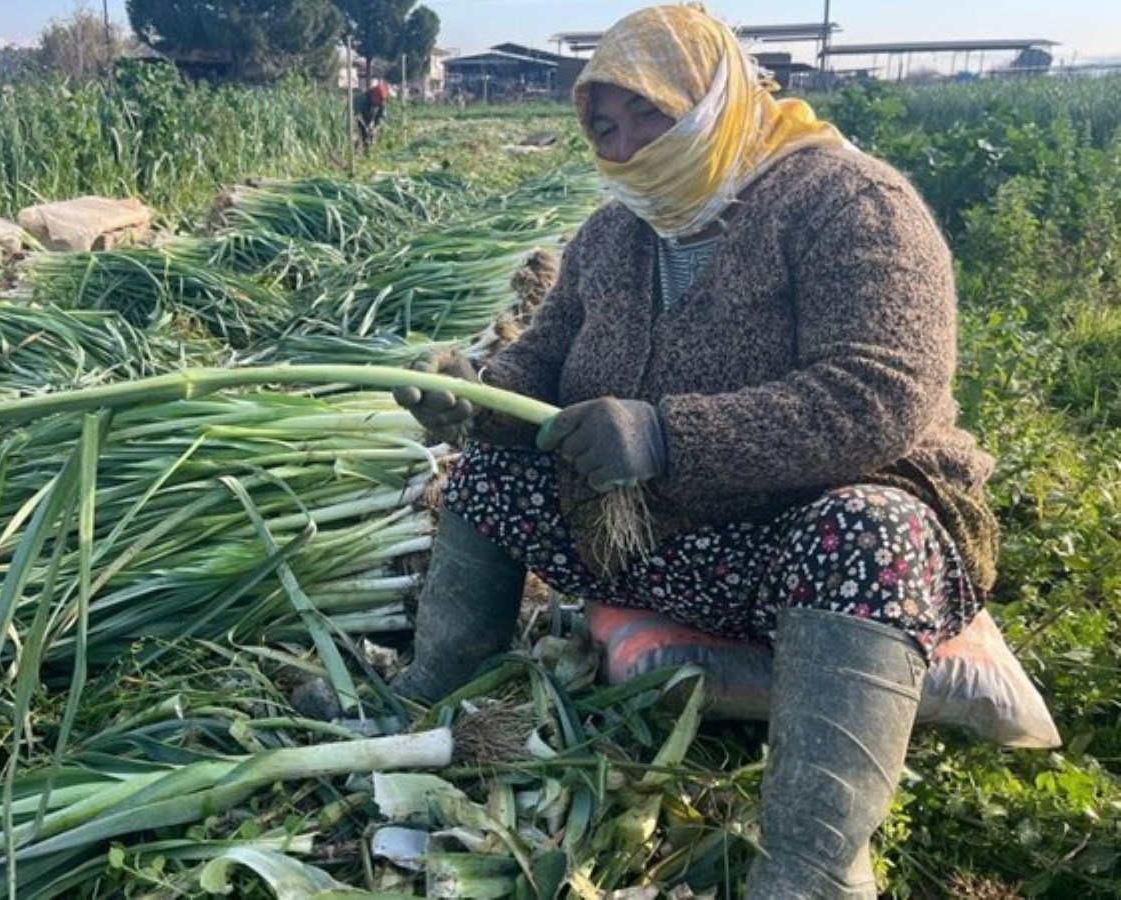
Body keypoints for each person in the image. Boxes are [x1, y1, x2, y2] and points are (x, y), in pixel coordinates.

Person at [389, 5, 1000, 897]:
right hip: (650, 543)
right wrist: (473, 397)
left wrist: (667, 434)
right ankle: (434, 692)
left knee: (868, 529)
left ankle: (812, 868)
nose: (628, 143)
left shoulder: (848, 203)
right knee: (490, 475)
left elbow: (881, 393)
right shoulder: (612, 234)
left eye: (651, 111)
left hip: (804, 557)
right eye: (606, 126)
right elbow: (540, 365)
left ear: (718, 98)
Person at [355, 80, 390, 151]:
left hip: (368, 122)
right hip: (356, 121)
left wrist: (375, 127)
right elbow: (356, 116)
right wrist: (364, 127)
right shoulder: (360, 100)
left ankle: (369, 150)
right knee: (357, 139)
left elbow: (381, 116)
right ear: (373, 95)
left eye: (381, 101)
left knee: (370, 138)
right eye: (378, 100)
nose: (380, 103)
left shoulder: (381, 102)